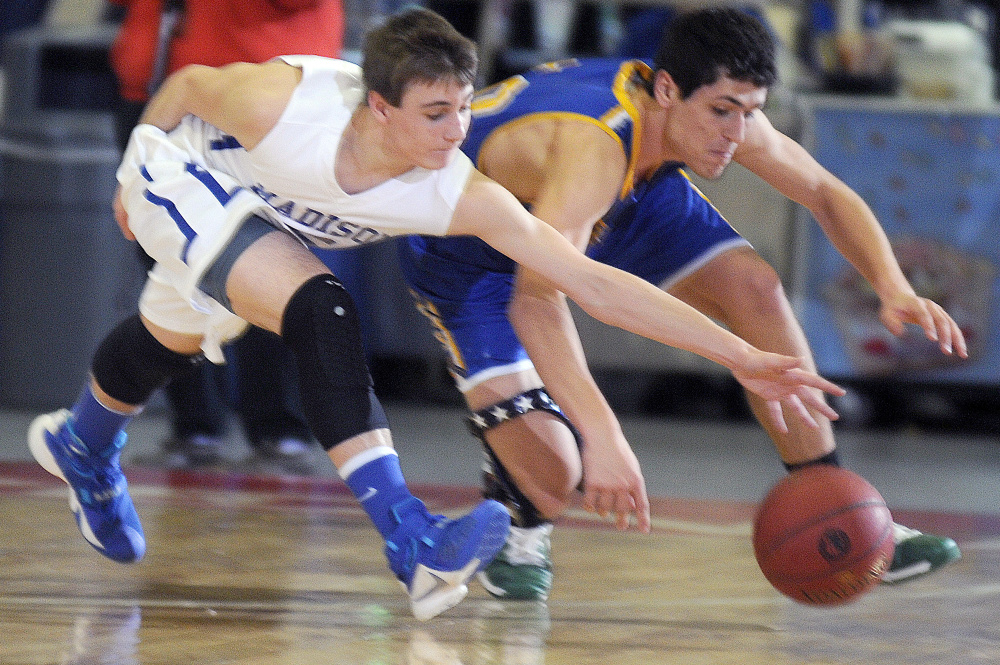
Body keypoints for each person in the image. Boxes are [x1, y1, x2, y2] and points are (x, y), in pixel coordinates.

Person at [27, 7, 845, 620]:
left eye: (462, 110)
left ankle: (82, 442)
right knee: (323, 305)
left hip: (261, 219)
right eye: (434, 114)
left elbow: (587, 283)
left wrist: (738, 353)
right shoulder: (284, 101)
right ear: (377, 107)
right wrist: (133, 176)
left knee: (173, 334)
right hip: (177, 169)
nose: (457, 133)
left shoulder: (456, 183)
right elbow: (186, 85)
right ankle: (409, 535)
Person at [397, 6, 965, 601]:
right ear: (667, 89)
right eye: (722, 111)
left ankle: (839, 502)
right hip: (469, 252)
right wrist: (604, 434)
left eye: (749, 112)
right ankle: (519, 508)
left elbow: (823, 190)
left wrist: (893, 285)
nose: (736, 134)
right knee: (555, 477)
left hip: (614, 199)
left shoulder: (715, 109)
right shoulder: (592, 147)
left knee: (754, 287)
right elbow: (537, 302)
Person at [107, 0, 344, 472]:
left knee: (273, 257)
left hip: (265, 100)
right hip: (163, 89)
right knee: (171, 260)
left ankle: (279, 429)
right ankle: (195, 427)